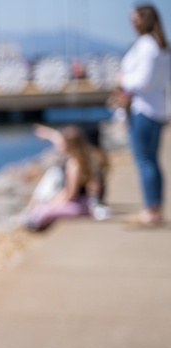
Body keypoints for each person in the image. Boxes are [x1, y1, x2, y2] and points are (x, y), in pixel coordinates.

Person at [114, 4, 170, 228]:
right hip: (157, 108)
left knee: (145, 161)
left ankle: (150, 210)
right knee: (152, 161)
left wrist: (122, 81)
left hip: (143, 110)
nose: (131, 23)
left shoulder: (147, 46)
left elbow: (143, 81)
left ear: (142, 21)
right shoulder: (161, 46)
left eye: (134, 19)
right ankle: (154, 208)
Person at [23, 124, 100, 232]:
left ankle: (37, 226)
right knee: (43, 208)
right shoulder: (83, 158)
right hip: (85, 203)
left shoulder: (73, 164)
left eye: (61, 142)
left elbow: (71, 194)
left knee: (43, 212)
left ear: (68, 145)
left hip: (79, 206)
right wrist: (47, 133)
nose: (58, 145)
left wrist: (56, 203)